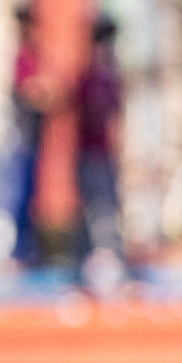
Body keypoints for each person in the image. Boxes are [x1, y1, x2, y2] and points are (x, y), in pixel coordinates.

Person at [0, 6, 57, 265]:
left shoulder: (37, 55)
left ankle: (28, 248)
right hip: (23, 138)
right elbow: (33, 92)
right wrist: (42, 92)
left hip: (34, 137)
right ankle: (18, 250)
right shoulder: (22, 57)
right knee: (19, 194)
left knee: (31, 195)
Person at [74, 15, 125, 294]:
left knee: (105, 208)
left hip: (103, 153)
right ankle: (99, 266)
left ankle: (100, 264)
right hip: (91, 154)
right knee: (99, 211)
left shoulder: (108, 75)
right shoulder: (93, 76)